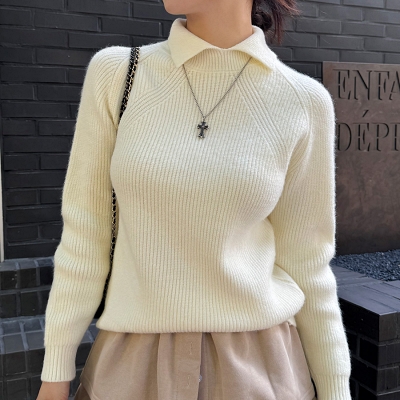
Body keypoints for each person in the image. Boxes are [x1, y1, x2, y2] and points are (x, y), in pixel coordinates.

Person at [36, 0, 352, 399]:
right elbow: (84, 236)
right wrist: (55, 373)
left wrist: (336, 388)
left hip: (260, 368)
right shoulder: (118, 74)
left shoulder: (303, 100)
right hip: (130, 368)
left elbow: (308, 263)